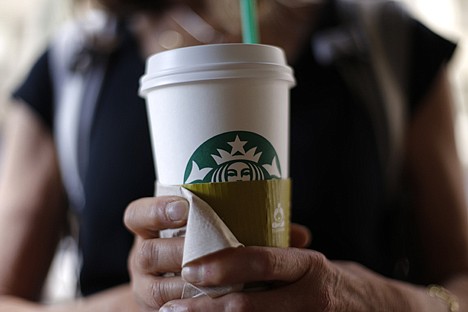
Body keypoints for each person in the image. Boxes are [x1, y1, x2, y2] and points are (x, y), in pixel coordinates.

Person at [0, 0, 467, 311]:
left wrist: (371, 299)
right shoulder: (76, 64)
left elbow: (460, 280)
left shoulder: (390, 47)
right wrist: (140, 302)